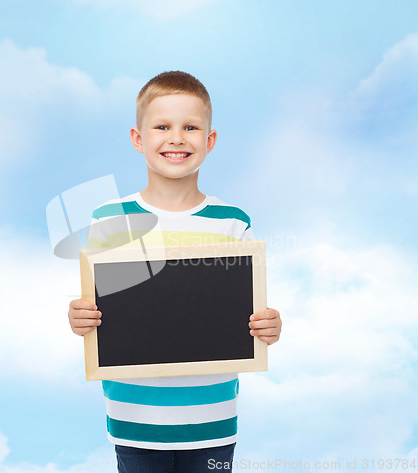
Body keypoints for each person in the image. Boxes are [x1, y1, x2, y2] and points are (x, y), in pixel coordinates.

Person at [68, 70, 282, 473]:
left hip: (212, 418)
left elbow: (248, 311)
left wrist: (270, 324)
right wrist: (79, 317)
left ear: (210, 140)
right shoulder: (110, 219)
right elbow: (97, 307)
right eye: (162, 126)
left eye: (191, 127)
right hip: (134, 419)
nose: (177, 138)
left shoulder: (232, 222)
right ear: (138, 139)